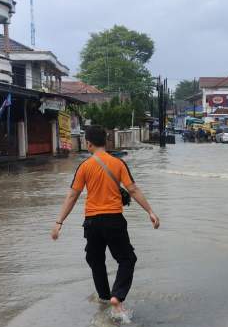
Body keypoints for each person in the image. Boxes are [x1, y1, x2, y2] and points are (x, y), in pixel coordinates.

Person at [51, 125, 160, 313]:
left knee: (95, 260)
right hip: (114, 220)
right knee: (127, 259)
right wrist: (150, 211)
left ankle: (104, 298)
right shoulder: (118, 164)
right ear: (106, 141)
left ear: (88, 144)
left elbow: (72, 196)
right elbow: (132, 189)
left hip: (92, 222)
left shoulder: (84, 166)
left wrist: (59, 222)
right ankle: (116, 296)